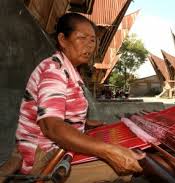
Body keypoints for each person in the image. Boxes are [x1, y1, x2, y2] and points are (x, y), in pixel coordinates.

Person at [16, 13, 145, 182]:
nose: (89, 46)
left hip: (60, 150)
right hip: (44, 158)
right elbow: (51, 127)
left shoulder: (69, 71)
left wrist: (84, 123)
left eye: (92, 40)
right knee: (132, 167)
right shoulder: (54, 70)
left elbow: (58, 113)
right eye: (82, 38)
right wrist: (107, 151)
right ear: (63, 40)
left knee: (130, 153)